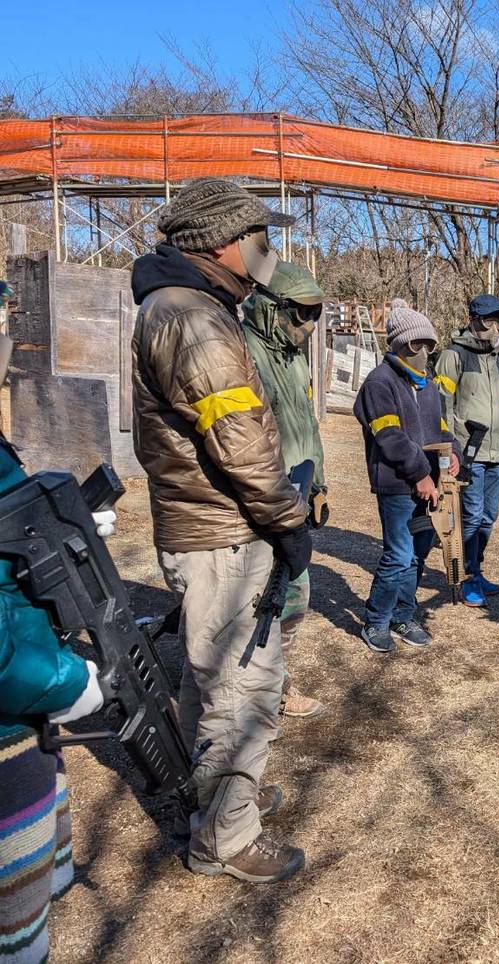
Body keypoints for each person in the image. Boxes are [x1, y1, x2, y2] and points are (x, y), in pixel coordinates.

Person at [132, 177, 311, 884]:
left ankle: (212, 796)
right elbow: (239, 441)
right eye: (258, 239)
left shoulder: (189, 306)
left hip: (213, 527)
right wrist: (287, 520)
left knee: (211, 680)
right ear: (221, 243)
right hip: (222, 531)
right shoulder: (192, 317)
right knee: (244, 689)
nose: (268, 253)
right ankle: (225, 838)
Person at [0, 402, 113, 960]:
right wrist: (64, 682)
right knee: (16, 932)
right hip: (11, 712)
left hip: (23, 704)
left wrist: (63, 532)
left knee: (32, 886)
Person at [242, 261, 328, 720]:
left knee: (292, 595)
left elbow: (306, 427)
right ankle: (263, 689)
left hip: (295, 496)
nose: (309, 325)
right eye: (301, 313)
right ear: (271, 307)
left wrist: (319, 485)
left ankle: (273, 682)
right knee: (269, 597)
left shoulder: (294, 360)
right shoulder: (244, 351)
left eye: (315, 314)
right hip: (261, 501)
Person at [355, 299, 459, 653]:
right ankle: (376, 621)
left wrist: (453, 453)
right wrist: (419, 474)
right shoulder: (379, 383)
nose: (424, 352)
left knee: (417, 555)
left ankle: (403, 616)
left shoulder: (427, 385)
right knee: (398, 556)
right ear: (399, 344)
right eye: (417, 344)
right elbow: (390, 438)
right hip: (398, 485)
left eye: (429, 344)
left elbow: (440, 428)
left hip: (429, 486)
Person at [434, 293, 499, 608]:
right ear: (473, 320)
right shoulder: (454, 356)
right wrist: (449, 450)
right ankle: (465, 577)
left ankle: (476, 568)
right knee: (472, 516)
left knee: (489, 516)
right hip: (468, 454)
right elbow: (441, 405)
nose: (495, 327)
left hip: (496, 455)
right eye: (489, 320)